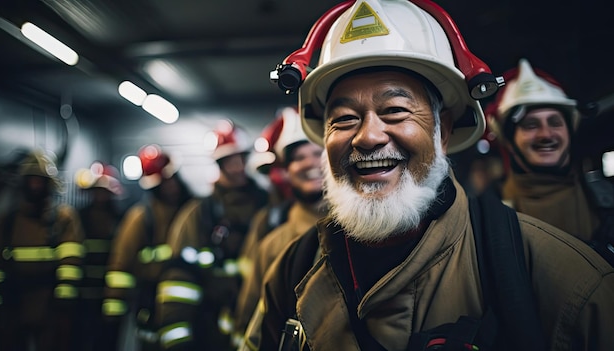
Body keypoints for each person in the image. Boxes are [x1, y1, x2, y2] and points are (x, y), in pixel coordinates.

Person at [245, 0, 614, 350]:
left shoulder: (570, 284)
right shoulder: (293, 270)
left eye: (395, 110)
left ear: (443, 131)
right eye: (343, 119)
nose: (368, 136)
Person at [163, 121, 269, 351]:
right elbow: (179, 280)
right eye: (231, 161)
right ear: (219, 164)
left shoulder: (268, 206)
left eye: (242, 159)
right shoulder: (200, 214)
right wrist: (177, 341)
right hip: (209, 326)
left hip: (258, 319)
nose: (239, 167)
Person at [233, 106, 326, 347]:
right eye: (298, 158)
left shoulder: (363, 227)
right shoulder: (272, 240)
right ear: (285, 171)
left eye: (318, 153)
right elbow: (250, 315)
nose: (310, 163)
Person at [485, 58, 605, 244]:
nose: (545, 134)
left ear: (570, 131)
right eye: (531, 125)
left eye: (555, 122)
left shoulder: (607, 199)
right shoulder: (485, 215)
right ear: (509, 141)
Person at [0, 149, 85, 351]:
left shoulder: (63, 219)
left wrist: (64, 304)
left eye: (40, 181)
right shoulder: (9, 220)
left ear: (49, 185)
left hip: (49, 304)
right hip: (14, 304)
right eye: (31, 180)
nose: (35, 186)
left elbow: (70, 263)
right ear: (23, 184)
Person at [102, 144, 195, 351]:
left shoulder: (194, 212)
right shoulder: (142, 217)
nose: (171, 187)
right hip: (152, 300)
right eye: (164, 182)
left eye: (172, 179)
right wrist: (114, 309)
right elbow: (121, 264)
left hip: (189, 303)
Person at [73, 161, 125, 351]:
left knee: (107, 343)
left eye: (104, 191)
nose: (100, 196)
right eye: (96, 191)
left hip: (109, 296)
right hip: (82, 297)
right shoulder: (78, 218)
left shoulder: (120, 220)